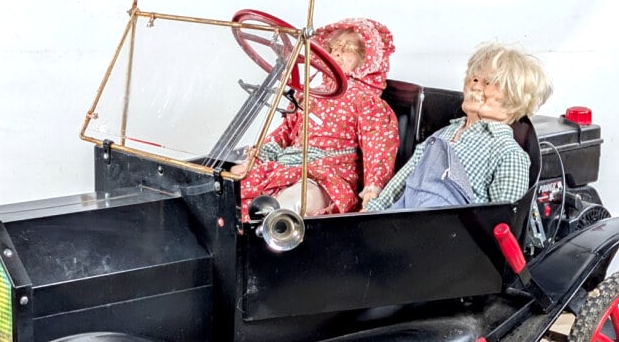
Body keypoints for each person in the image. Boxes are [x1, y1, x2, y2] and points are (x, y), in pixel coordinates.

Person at [231, 17, 399, 216]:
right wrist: (258, 156)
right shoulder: (311, 94)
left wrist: (373, 188)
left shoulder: (368, 103)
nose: (337, 52)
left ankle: (274, 227)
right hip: (290, 166)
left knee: (294, 203)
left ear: (367, 57)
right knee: (234, 185)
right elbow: (285, 131)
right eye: (333, 47)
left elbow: (378, 149)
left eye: (348, 48)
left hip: (329, 177)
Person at [364, 42, 552, 211]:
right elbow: (399, 185)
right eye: (474, 79)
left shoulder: (507, 153)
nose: (476, 87)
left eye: (489, 83)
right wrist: (370, 213)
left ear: (515, 98)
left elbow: (502, 221)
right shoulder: (441, 135)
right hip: (401, 227)